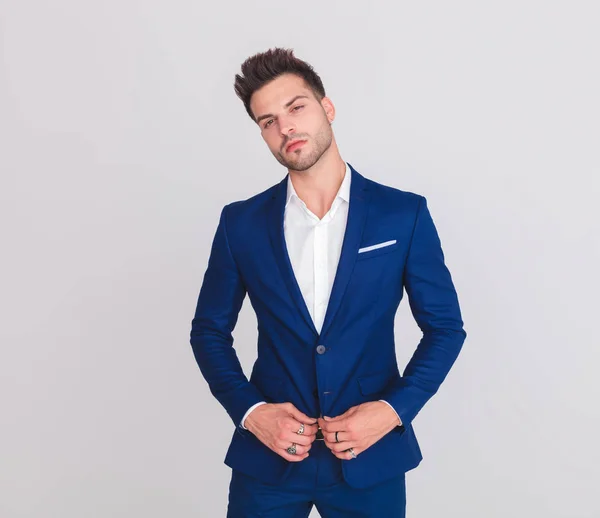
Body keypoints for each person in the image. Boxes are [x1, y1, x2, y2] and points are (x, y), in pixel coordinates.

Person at [189, 47, 466, 517]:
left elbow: (445, 328)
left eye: (296, 107)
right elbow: (208, 332)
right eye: (267, 121)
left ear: (327, 108)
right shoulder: (241, 224)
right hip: (270, 462)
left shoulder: (402, 214)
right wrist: (253, 414)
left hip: (369, 456)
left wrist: (392, 411)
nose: (286, 128)